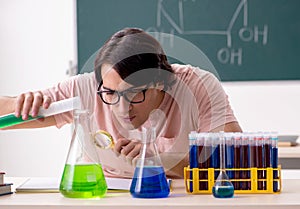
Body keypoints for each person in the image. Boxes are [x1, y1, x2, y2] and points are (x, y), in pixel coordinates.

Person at [0, 28, 242, 178]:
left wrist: (160, 159)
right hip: (104, 199)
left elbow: (232, 160)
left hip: (174, 200)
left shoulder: (198, 86)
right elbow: (7, 111)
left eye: (134, 93)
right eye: (110, 93)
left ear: (160, 82)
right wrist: (22, 103)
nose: (121, 108)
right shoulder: (84, 89)